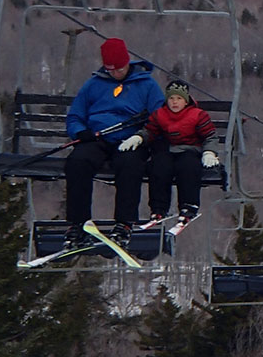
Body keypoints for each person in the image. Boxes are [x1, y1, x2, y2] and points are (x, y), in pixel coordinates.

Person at [63, 37, 166, 250]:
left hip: (130, 139)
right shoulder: (94, 84)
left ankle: (124, 223)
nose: (114, 74)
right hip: (97, 137)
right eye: (110, 70)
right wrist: (80, 132)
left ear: (126, 63)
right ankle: (77, 223)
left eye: (118, 69)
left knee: (130, 165)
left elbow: (159, 119)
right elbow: (75, 115)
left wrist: (142, 136)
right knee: (77, 162)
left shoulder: (146, 85)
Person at [124, 78, 217, 228]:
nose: (174, 102)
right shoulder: (160, 114)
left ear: (185, 101)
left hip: (189, 149)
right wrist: (139, 137)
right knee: (159, 167)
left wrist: (209, 152)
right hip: (167, 150)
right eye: (171, 98)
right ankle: (158, 208)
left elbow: (209, 135)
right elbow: (150, 131)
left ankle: (188, 205)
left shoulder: (198, 115)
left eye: (179, 98)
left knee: (188, 168)